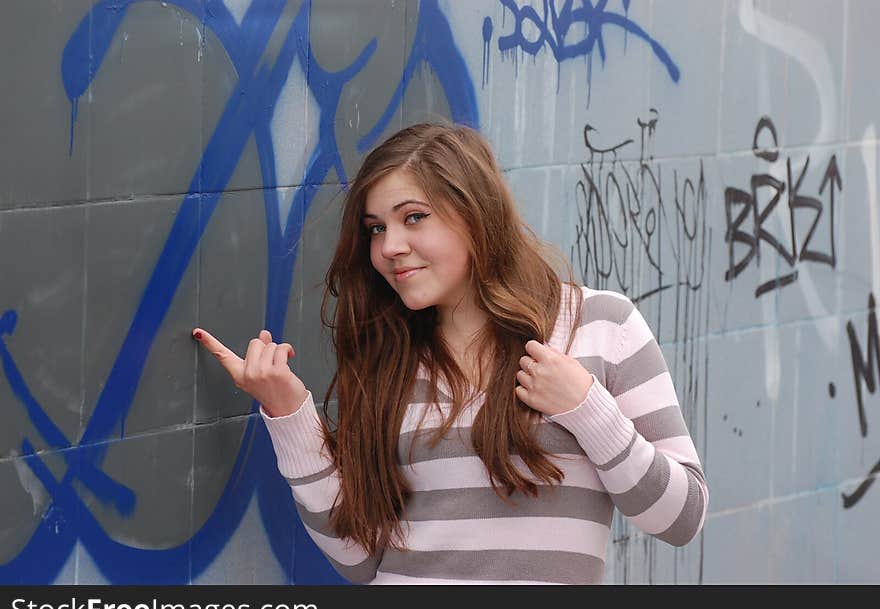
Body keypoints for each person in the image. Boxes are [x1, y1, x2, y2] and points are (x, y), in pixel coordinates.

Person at [192, 122, 708, 585]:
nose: (389, 246)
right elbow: (360, 560)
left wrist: (587, 408)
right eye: (377, 228)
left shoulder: (599, 325)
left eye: (413, 218)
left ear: (476, 216)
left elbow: (681, 519)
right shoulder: (387, 359)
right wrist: (289, 415)